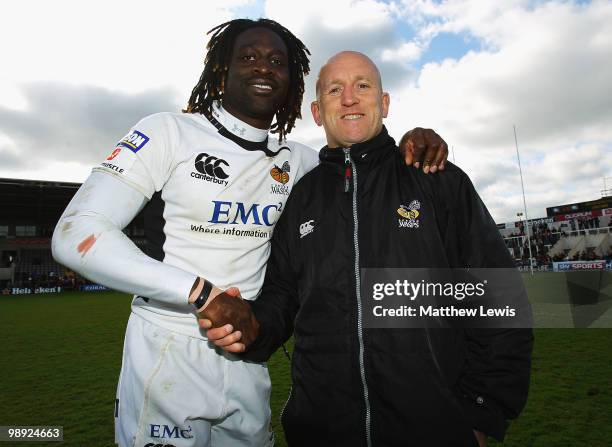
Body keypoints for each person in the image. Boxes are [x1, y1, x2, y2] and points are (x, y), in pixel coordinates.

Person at [51, 19, 450, 447]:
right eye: (249, 57)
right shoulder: (167, 132)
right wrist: (204, 295)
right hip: (169, 347)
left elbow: (360, 164)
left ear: (293, 82)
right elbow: (75, 234)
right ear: (222, 70)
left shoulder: (300, 162)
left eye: (277, 61)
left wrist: (411, 143)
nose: (264, 68)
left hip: (249, 351)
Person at [204, 51, 533, 446]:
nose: (349, 98)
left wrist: (482, 411)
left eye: (363, 86)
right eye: (334, 89)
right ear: (317, 111)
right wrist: (251, 327)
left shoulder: (437, 181)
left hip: (435, 429)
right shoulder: (300, 200)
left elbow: (498, 298)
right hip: (322, 432)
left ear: (385, 102)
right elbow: (283, 298)